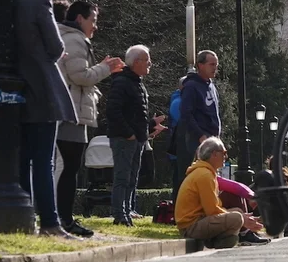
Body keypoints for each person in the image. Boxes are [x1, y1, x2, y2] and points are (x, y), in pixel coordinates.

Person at [13, 0, 78, 237]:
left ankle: (25, 217)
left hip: (15, 88)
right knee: (43, 160)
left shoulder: (5, 5)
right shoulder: (39, 4)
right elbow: (55, 47)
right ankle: (50, 222)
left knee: (21, 159)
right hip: (42, 88)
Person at [55, 0, 123, 238]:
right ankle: (64, 219)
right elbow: (80, 76)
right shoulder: (75, 39)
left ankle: (61, 217)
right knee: (69, 168)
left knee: (68, 167)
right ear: (80, 19)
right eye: (93, 20)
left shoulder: (69, 37)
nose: (95, 26)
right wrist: (105, 68)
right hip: (72, 112)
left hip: (72, 110)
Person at [105, 45, 166, 225]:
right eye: (147, 60)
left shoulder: (136, 82)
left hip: (137, 139)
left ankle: (128, 210)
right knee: (122, 177)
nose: (150, 64)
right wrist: (129, 133)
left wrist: (150, 125)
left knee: (132, 178)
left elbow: (137, 115)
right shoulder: (122, 82)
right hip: (125, 139)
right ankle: (119, 213)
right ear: (136, 62)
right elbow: (113, 111)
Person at [176, 137, 265, 248]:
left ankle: (219, 240)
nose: (226, 157)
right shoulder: (204, 175)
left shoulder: (206, 172)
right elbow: (212, 210)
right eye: (224, 153)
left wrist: (241, 217)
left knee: (237, 212)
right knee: (237, 217)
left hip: (198, 221)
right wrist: (243, 219)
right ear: (214, 154)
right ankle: (221, 240)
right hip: (191, 227)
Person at [176, 51, 221, 203]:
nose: (215, 68)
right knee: (198, 174)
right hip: (198, 139)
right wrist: (200, 135)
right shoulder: (191, 86)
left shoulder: (211, 86)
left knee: (211, 174)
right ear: (200, 65)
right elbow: (186, 114)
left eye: (216, 65)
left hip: (212, 138)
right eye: (211, 64)